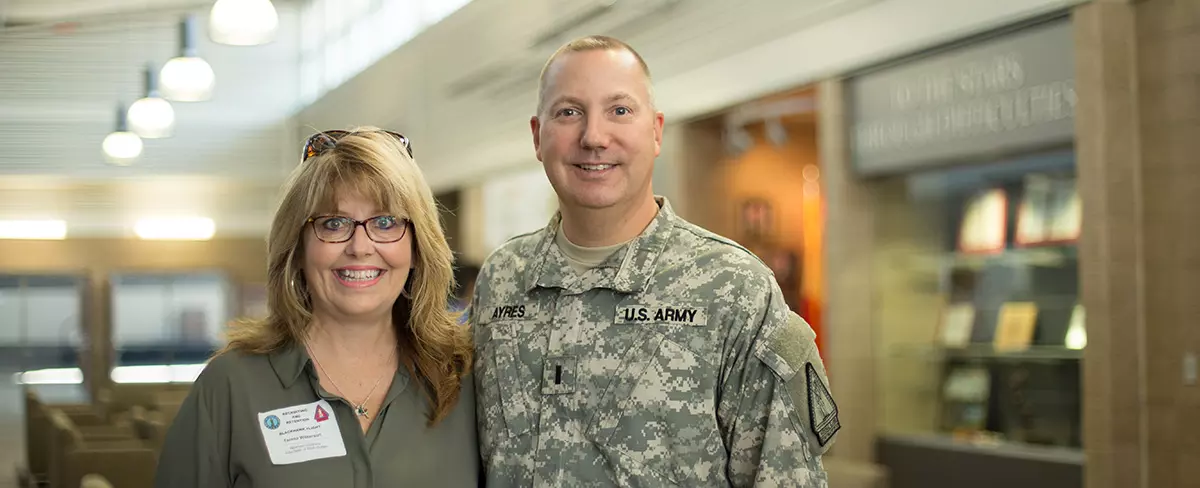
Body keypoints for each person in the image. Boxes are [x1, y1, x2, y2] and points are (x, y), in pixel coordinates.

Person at [471, 36, 839, 487]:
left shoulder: (734, 289)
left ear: (657, 131)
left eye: (620, 110)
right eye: (569, 112)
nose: (594, 137)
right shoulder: (502, 279)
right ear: (536, 136)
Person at [155, 128, 478, 487]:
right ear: (298, 249)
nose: (360, 246)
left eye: (386, 222)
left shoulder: (467, 379)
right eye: (333, 223)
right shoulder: (231, 386)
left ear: (417, 248)